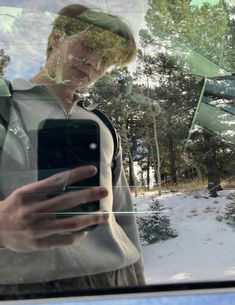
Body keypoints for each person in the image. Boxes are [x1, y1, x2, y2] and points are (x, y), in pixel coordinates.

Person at [0, 4, 145, 295]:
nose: (95, 63)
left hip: (117, 277)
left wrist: (142, 290)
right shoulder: (4, 105)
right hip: (23, 286)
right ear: (56, 37)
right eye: (89, 46)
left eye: (108, 59)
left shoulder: (100, 124)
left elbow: (122, 213)